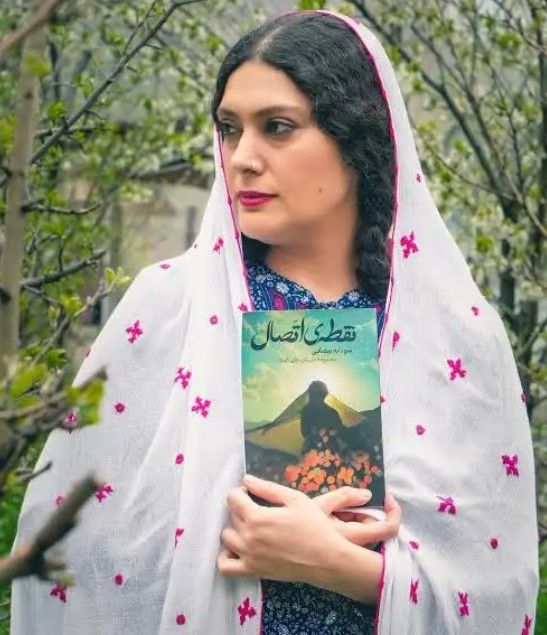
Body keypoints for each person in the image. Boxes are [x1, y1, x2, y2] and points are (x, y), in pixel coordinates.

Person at [11, 10, 538, 635]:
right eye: (229, 129)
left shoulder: (453, 339)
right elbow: (83, 554)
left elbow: (497, 588)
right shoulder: (168, 310)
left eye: (278, 128)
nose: (242, 158)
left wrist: (346, 568)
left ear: (357, 138)